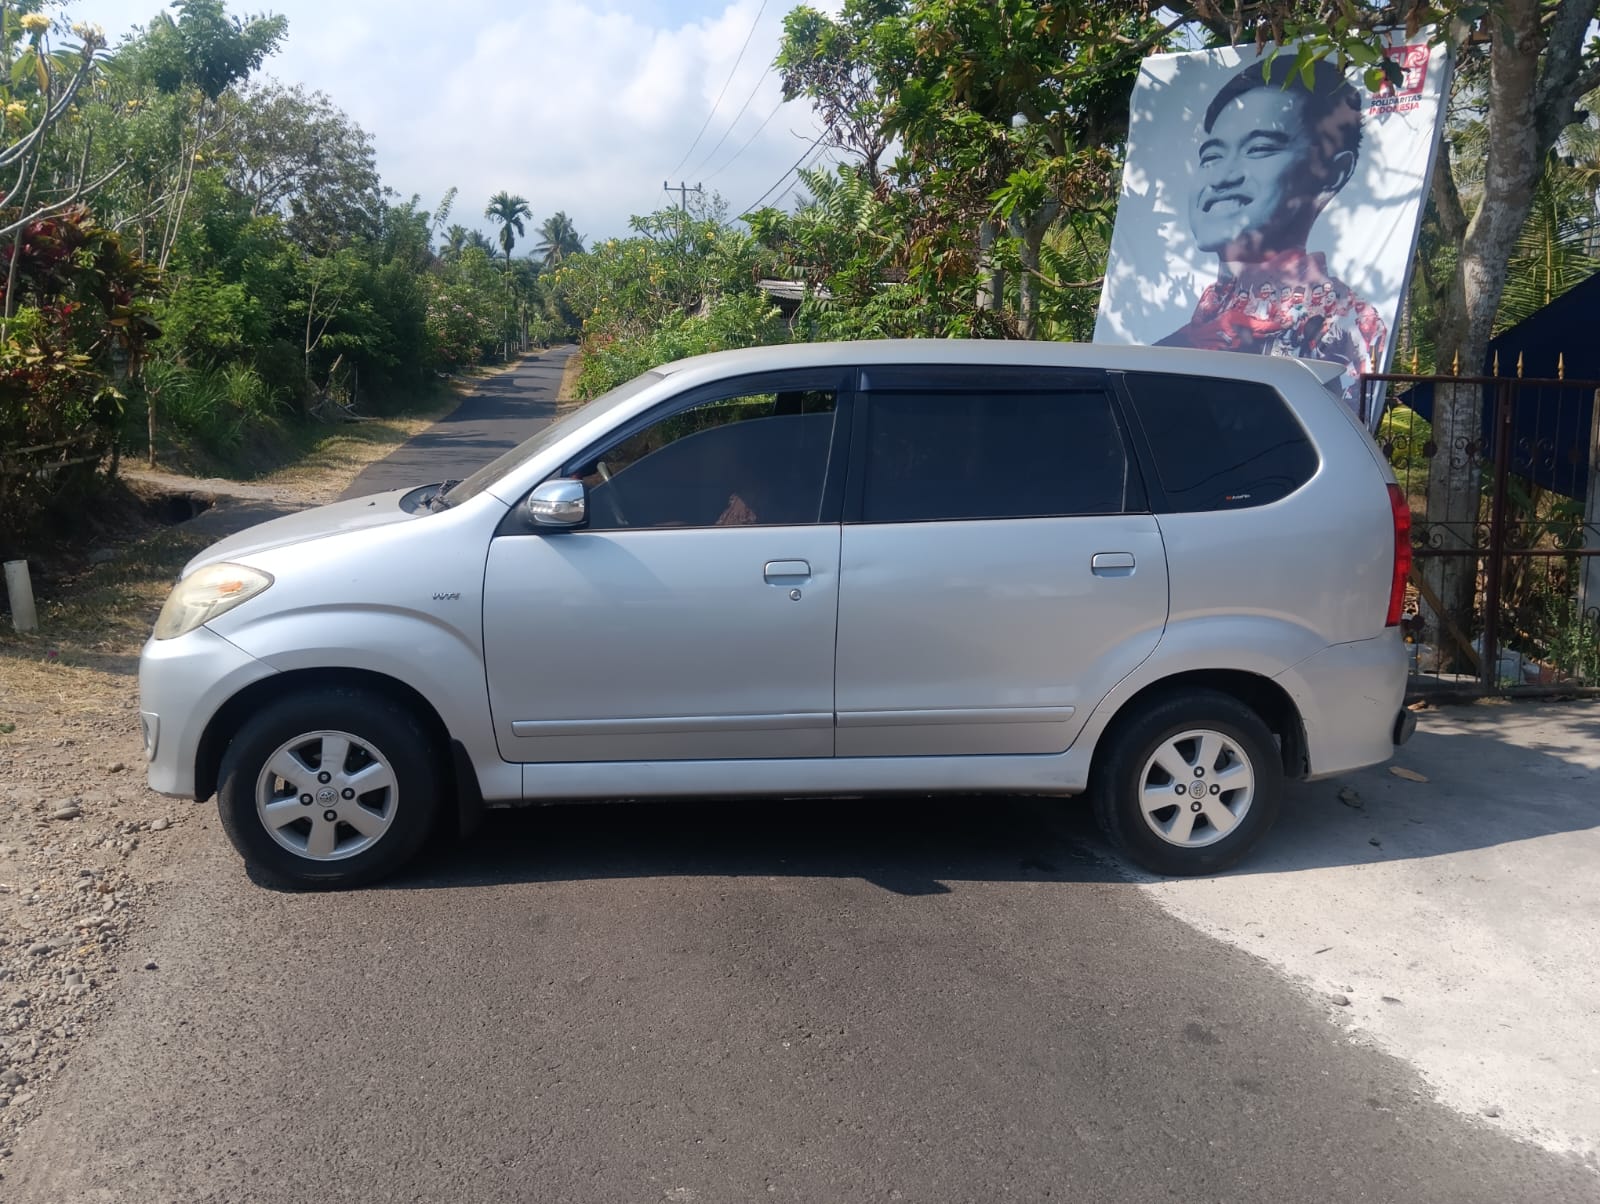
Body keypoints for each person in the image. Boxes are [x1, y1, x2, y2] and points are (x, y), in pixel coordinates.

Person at [1158, 55, 1387, 410]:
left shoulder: (1344, 324)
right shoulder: (1203, 314)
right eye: (1211, 156)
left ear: (1332, 174)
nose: (1221, 178)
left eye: (1259, 149)